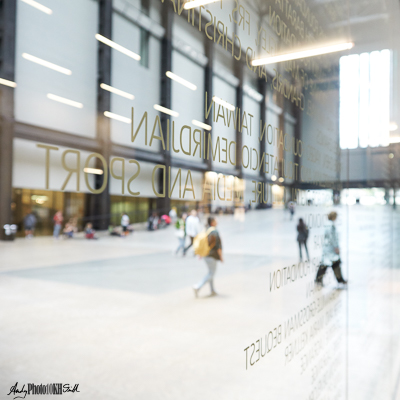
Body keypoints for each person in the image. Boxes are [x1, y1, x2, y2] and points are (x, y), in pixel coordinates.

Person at [193, 217, 223, 297]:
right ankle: (198, 286)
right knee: (211, 273)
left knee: (210, 272)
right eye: (216, 220)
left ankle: (212, 290)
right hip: (212, 255)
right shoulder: (214, 231)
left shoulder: (206, 230)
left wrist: (200, 253)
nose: (217, 221)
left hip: (205, 254)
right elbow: (218, 245)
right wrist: (221, 256)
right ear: (212, 222)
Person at [315, 211, 347, 286]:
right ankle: (339, 280)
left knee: (330, 264)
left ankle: (339, 279)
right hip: (330, 249)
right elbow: (332, 238)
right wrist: (336, 247)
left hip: (328, 249)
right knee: (331, 264)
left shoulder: (327, 224)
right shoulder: (331, 226)